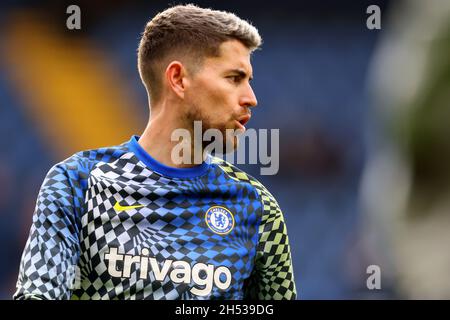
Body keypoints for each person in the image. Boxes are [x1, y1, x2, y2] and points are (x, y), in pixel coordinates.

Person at [14, 4, 296, 300]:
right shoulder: (76, 184)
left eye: (248, 81)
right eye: (234, 78)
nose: (251, 98)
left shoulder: (257, 207)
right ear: (178, 79)